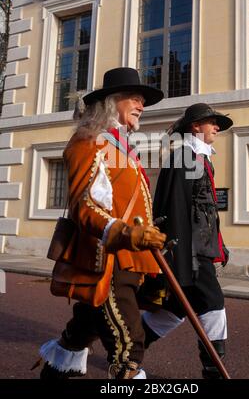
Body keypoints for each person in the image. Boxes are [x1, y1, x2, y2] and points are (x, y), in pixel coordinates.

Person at [38, 67, 166, 380]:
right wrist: (127, 233)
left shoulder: (122, 149)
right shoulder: (88, 143)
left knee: (83, 329)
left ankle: (53, 372)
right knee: (128, 344)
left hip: (129, 259)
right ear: (111, 102)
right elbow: (84, 207)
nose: (141, 104)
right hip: (105, 260)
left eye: (142, 100)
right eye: (133, 98)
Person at [141, 103, 233, 379]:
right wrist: (180, 262)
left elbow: (206, 211)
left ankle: (126, 351)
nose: (217, 127)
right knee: (214, 305)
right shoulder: (184, 157)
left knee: (175, 311)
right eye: (212, 122)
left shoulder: (200, 157)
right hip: (190, 256)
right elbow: (175, 211)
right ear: (196, 126)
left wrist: (219, 246)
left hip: (200, 251)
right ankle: (213, 373)